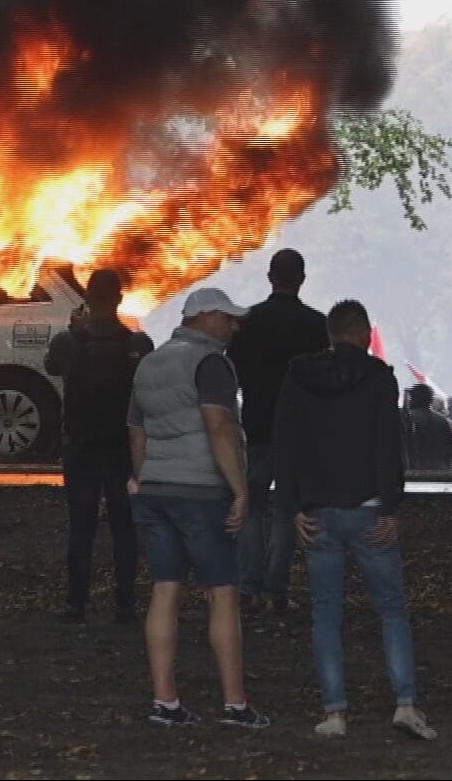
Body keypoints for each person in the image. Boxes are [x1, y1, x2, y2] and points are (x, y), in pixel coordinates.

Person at [274, 299, 437, 741]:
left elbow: (285, 443)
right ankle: (404, 702)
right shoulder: (378, 378)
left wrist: (292, 507)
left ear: (329, 334)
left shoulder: (298, 378)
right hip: (368, 508)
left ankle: (334, 711)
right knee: (391, 609)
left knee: (325, 612)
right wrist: (390, 506)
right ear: (365, 335)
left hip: (319, 510)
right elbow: (387, 444)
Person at [127, 286, 270, 730]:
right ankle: (234, 703)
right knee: (222, 592)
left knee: (165, 589)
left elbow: (136, 431)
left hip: (155, 491)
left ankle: (164, 702)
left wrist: (144, 475)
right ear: (204, 316)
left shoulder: (150, 362)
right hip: (201, 493)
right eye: (227, 317)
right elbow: (219, 425)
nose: (234, 325)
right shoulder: (210, 363)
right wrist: (240, 489)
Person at [46, 267, 153, 624]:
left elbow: (51, 366)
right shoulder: (137, 344)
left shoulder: (68, 341)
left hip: (81, 446)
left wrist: (74, 329)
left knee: (81, 526)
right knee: (124, 528)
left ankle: (76, 603)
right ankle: (126, 604)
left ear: (87, 300)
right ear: (120, 299)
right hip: (122, 447)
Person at [225, 249, 326, 617]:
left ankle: (248, 585)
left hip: (257, 425)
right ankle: (275, 589)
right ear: (301, 278)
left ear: (270, 277)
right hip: (298, 431)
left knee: (250, 505)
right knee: (287, 510)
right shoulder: (317, 325)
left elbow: (232, 370)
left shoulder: (248, 323)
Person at [399, 385, 452, 473]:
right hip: (438, 469)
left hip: (411, 471)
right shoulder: (442, 420)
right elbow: (451, 448)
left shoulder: (405, 418)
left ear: (412, 398)